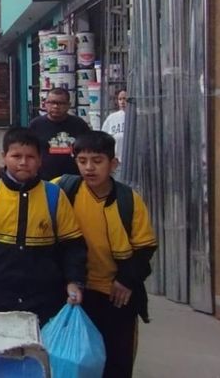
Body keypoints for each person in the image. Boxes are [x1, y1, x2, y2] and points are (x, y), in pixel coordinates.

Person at [0, 127, 87, 326]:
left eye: (30, 157)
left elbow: (73, 246)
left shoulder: (54, 195)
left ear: (40, 160)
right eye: (16, 156)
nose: (23, 162)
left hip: (45, 298)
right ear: (4, 157)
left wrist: (74, 281)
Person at [63, 131, 157, 378]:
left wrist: (126, 280)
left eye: (97, 161)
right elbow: (31, 187)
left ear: (113, 164)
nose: (89, 168)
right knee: (74, 359)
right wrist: (0, 171)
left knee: (116, 360)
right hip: (76, 291)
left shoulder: (128, 200)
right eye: (82, 161)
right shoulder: (65, 189)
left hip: (116, 295)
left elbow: (145, 247)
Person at [29, 87, 90, 180]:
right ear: (45, 104)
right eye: (51, 102)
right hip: (44, 180)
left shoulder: (79, 125)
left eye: (60, 103)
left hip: (73, 180)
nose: (55, 106)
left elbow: (89, 151)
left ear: (68, 105)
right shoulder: (36, 125)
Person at [101, 88, 127, 174]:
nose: (122, 102)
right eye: (120, 99)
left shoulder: (137, 116)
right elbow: (103, 139)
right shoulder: (112, 118)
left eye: (125, 99)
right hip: (116, 163)